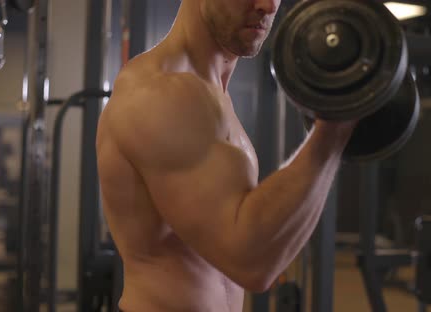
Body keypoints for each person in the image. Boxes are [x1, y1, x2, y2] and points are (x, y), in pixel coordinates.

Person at [96, 0, 356, 311]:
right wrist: (332, 129)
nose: (269, 5)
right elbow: (250, 261)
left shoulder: (213, 95)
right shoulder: (160, 94)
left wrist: (335, 126)